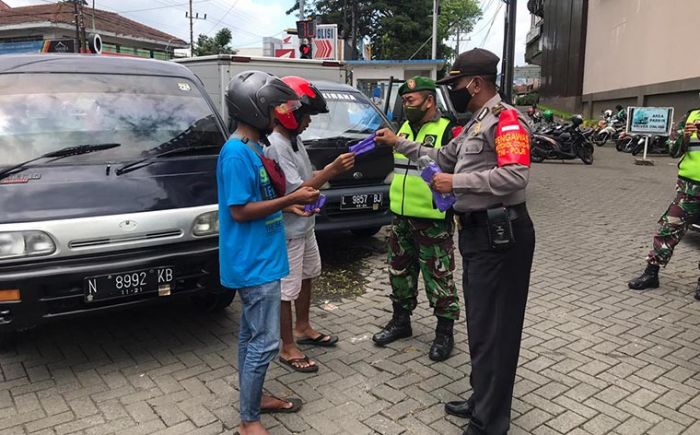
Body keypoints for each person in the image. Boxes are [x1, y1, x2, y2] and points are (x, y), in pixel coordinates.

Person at [375, 48, 536, 435]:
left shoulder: (508, 121)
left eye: (457, 84)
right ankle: (482, 398)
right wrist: (400, 144)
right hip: (478, 234)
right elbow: (441, 157)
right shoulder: (475, 123)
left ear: (476, 83)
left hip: (503, 234)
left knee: (496, 329)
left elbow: (515, 176)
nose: (454, 91)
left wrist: (457, 184)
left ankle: (489, 423)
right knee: (481, 327)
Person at [218, 70, 321, 435]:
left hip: (264, 256)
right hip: (252, 262)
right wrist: (292, 198)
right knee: (264, 343)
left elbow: (261, 200)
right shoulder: (235, 154)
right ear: (254, 108)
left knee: (251, 338)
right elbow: (238, 210)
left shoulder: (254, 148)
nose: (279, 114)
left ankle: (255, 399)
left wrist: (285, 207)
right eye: (273, 106)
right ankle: (249, 421)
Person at [265, 76, 355, 373]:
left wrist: (326, 173)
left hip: (305, 228)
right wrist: (330, 171)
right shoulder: (276, 145)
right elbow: (295, 192)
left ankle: (302, 327)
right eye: (305, 117)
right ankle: (286, 345)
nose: (307, 124)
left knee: (307, 276)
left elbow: (306, 176)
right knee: (285, 290)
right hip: (288, 232)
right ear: (289, 114)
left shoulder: (293, 141)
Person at [372, 76, 460, 362]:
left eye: (411, 100)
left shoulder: (448, 129)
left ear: (429, 100)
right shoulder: (404, 128)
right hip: (401, 217)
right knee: (399, 272)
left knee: (439, 276)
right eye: (404, 101)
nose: (406, 105)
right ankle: (401, 322)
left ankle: (444, 332)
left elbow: (449, 164)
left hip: (433, 220)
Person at [628, 106, 700, 300]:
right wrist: (685, 136)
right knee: (669, 227)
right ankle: (651, 273)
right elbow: (673, 150)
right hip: (689, 187)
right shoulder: (691, 115)